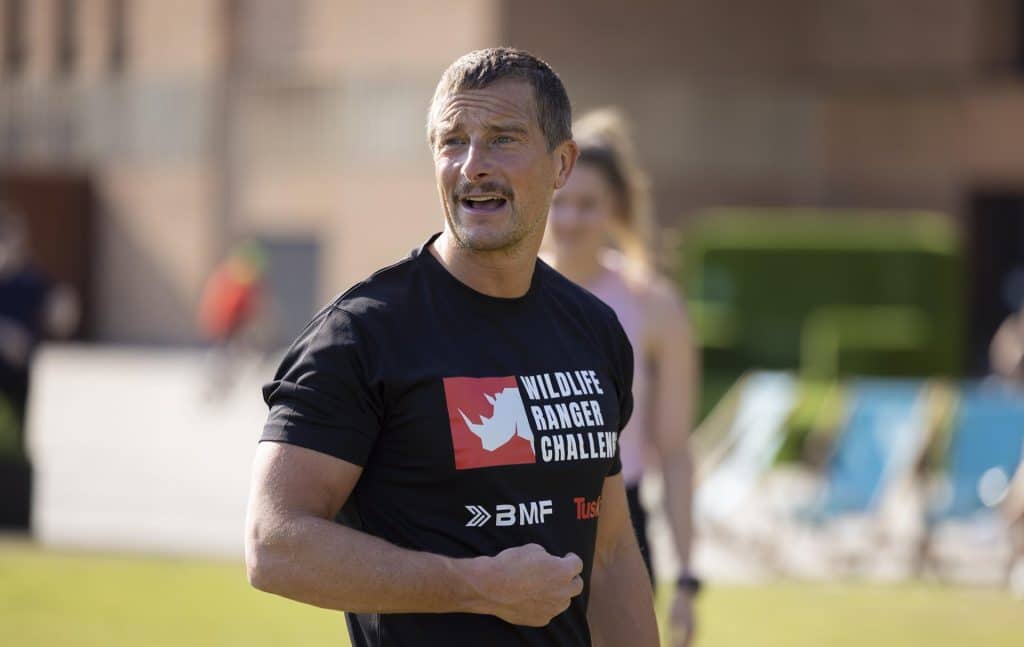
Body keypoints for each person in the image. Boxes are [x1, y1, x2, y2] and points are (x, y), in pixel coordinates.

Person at [245, 48, 659, 646]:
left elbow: (612, 552)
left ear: (561, 163)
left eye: (502, 139)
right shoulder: (363, 334)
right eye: (452, 141)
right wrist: (473, 585)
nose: (472, 165)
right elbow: (275, 545)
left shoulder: (592, 330)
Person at [542, 108, 700, 646]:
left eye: (587, 204)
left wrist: (686, 578)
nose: (568, 219)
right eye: (558, 200)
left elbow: (675, 452)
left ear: (615, 210)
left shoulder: (654, 306)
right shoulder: (504, 296)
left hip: (620, 532)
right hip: (522, 523)